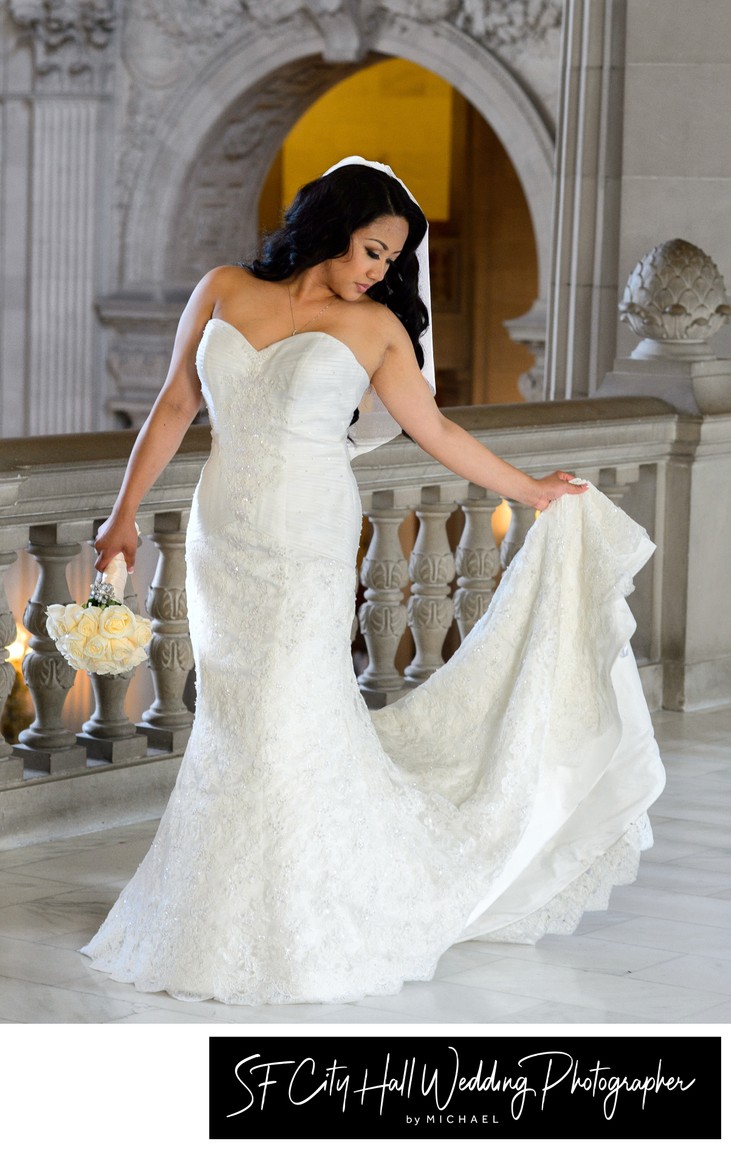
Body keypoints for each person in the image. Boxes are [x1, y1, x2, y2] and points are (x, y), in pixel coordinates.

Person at [80, 157, 665, 1005]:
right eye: (372, 249)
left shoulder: (378, 329)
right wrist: (122, 513)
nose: (379, 271)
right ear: (330, 225)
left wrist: (530, 489)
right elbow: (174, 406)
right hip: (222, 537)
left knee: (288, 712)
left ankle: (300, 917)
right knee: (234, 720)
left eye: (391, 260)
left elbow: (431, 429)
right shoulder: (222, 288)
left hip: (305, 541)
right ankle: (217, 903)